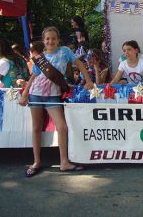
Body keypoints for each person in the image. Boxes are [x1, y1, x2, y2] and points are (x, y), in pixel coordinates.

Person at [19, 26, 94, 177]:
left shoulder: (64, 51)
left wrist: (88, 80)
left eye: (53, 38)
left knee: (62, 127)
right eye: (47, 39)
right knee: (36, 127)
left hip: (53, 95)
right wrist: (25, 93)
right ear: (43, 41)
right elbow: (33, 77)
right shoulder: (40, 59)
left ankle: (64, 162)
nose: (50, 41)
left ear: (58, 40)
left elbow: (79, 64)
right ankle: (36, 161)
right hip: (36, 94)